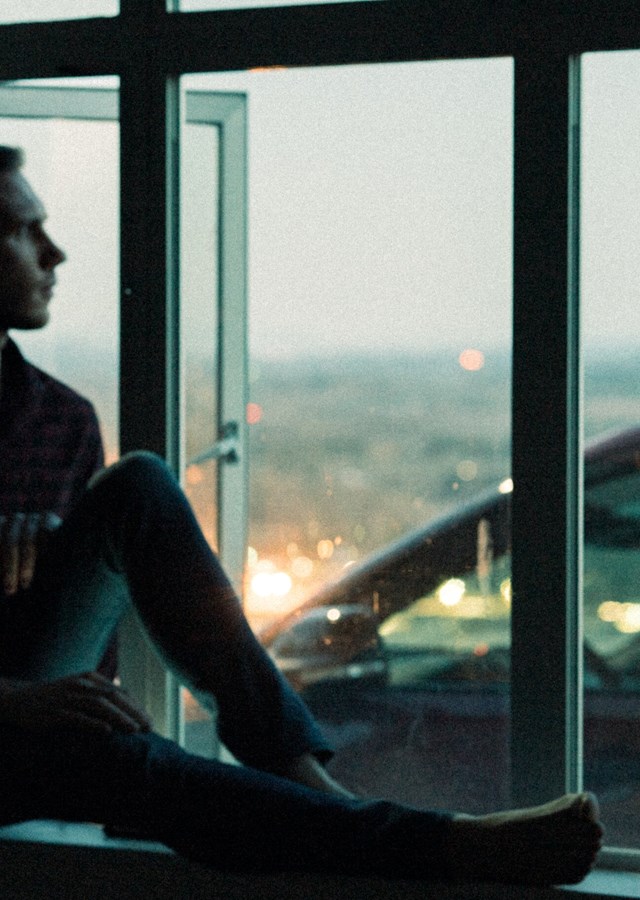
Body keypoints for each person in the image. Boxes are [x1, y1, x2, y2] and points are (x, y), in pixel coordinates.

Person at [0, 143, 603, 885]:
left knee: (143, 483)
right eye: (21, 231)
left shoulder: (56, 419)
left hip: (31, 711)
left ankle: (305, 778)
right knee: (130, 765)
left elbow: (89, 670)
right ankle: (434, 845)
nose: (53, 254)